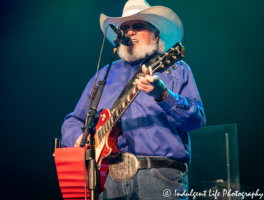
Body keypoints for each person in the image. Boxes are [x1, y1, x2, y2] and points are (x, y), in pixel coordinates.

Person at [61, 0, 206, 199]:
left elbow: (196, 119)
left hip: (159, 175)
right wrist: (78, 138)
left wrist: (163, 96)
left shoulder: (175, 68)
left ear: (155, 34)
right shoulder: (104, 75)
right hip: (108, 179)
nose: (129, 32)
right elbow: (74, 120)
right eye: (124, 28)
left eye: (138, 26)